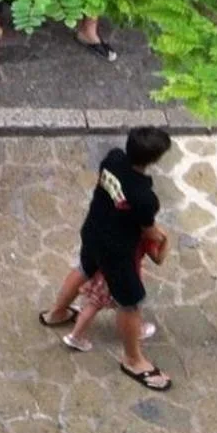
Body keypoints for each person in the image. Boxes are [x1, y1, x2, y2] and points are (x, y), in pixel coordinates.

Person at [39, 125, 174, 390]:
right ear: (154, 159)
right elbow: (149, 232)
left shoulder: (112, 159)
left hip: (93, 231)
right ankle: (133, 360)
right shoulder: (145, 197)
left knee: (84, 268)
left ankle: (56, 313)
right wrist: (163, 237)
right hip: (117, 252)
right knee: (130, 302)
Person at [62, 223, 167, 353]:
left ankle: (76, 334)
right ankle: (135, 330)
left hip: (104, 272)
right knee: (130, 306)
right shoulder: (145, 237)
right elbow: (158, 259)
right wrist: (165, 241)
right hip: (125, 277)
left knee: (94, 303)